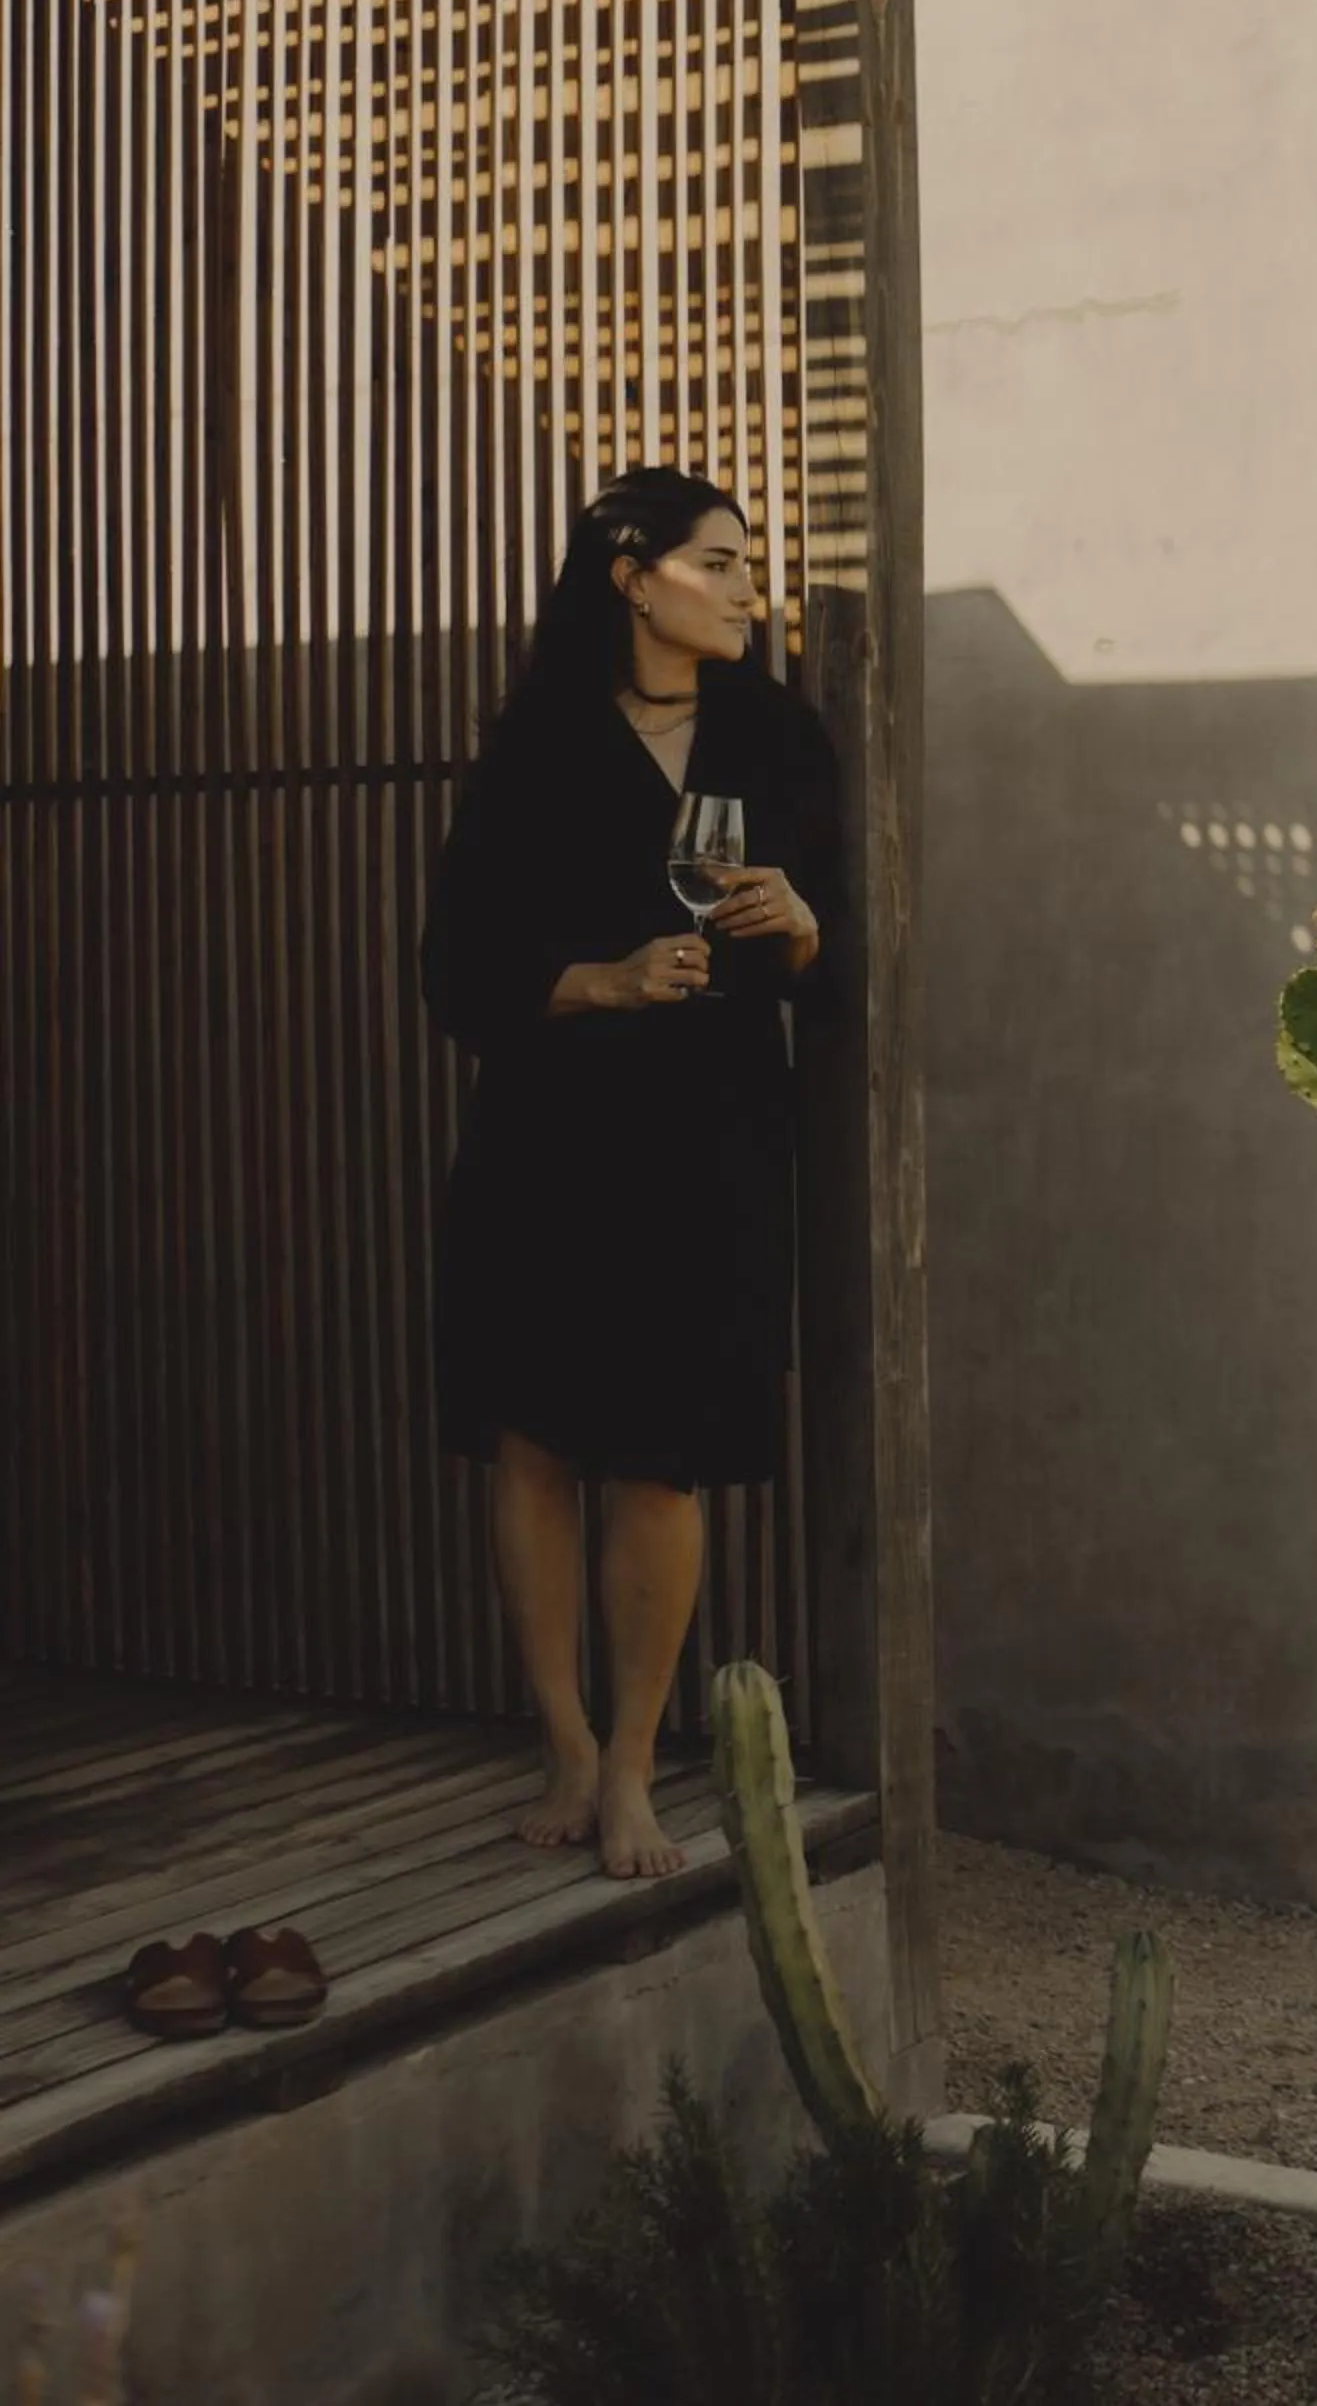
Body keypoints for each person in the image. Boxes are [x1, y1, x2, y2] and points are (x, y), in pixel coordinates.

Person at [420, 466, 841, 1879]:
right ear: (630, 574)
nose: (745, 587)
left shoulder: (778, 738)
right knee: (537, 1438)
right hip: (551, 1140)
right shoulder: (532, 745)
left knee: (662, 1459)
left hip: (711, 1134)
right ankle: (567, 1742)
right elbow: (454, 968)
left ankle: (642, 1762)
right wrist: (594, 982)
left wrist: (798, 928)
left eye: (749, 564)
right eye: (718, 562)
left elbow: (834, 955)